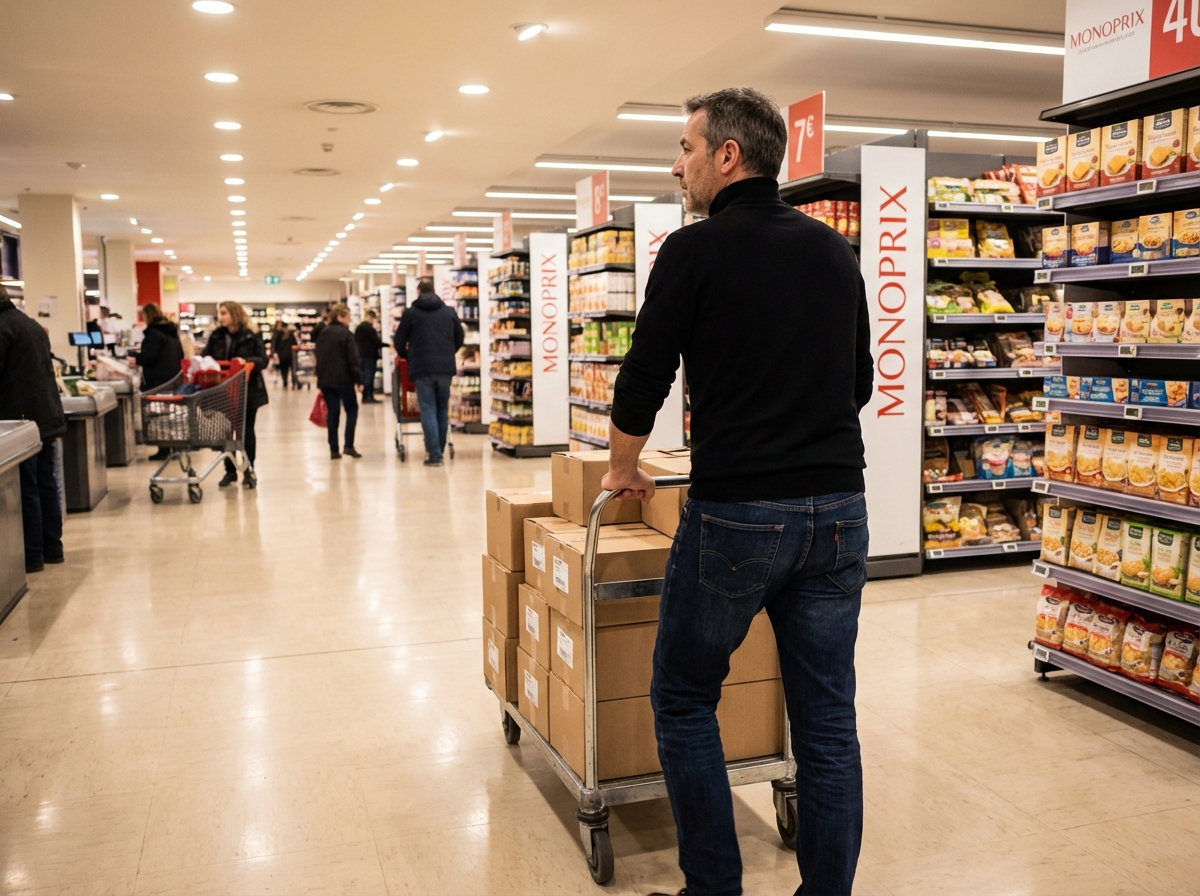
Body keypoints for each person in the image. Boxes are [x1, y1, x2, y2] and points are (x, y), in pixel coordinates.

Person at [600, 88, 873, 896]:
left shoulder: (693, 252)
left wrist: (621, 466)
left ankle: (713, 887)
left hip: (738, 516)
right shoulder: (833, 251)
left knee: (683, 697)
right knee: (827, 721)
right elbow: (856, 380)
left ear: (727, 156)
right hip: (838, 512)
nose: (675, 163)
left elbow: (644, 373)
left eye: (685, 146)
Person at [0, 285, 67, 573]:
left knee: (27, 487)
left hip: (20, 417)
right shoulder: (31, 325)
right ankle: (53, 548)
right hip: (45, 415)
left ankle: (32, 554)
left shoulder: (3, 328)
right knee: (45, 482)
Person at [393, 277, 463, 466]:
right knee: (442, 408)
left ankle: (435, 455)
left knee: (428, 409)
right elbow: (460, 337)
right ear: (434, 290)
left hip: (422, 368)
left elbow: (399, 340)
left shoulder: (411, 313)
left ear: (418, 292)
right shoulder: (449, 312)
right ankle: (438, 450)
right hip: (445, 369)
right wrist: (448, 353)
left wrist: (407, 355)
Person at [202, 300, 268, 488]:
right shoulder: (216, 336)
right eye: (219, 313)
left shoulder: (251, 335)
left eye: (224, 313)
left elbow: (263, 359)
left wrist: (245, 361)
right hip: (223, 391)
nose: (220, 317)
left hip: (249, 391)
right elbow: (208, 357)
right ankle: (230, 471)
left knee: (247, 431)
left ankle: (249, 469)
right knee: (226, 431)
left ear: (234, 314)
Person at [132, 303, 185, 461]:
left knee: (158, 414)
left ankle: (164, 447)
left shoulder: (154, 333)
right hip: (173, 377)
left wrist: (135, 357)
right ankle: (173, 445)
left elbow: (149, 356)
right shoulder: (171, 332)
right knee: (170, 414)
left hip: (157, 379)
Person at [314, 303, 362, 459]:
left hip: (327, 381)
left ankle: (334, 450)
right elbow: (353, 360)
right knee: (352, 410)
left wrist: (320, 380)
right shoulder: (347, 334)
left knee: (333, 413)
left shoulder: (323, 333)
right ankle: (348, 445)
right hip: (344, 380)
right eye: (347, 316)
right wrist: (358, 380)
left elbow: (318, 357)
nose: (349, 319)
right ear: (340, 317)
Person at [354, 309, 383, 403]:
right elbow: (376, 342)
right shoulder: (370, 328)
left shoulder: (359, 328)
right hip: (369, 356)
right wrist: (387, 345)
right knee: (369, 376)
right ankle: (369, 396)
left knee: (363, 376)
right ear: (371, 317)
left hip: (360, 355)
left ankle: (364, 396)